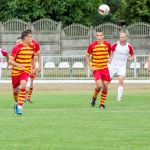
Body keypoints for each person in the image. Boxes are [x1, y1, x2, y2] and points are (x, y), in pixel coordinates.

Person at [9, 31, 36, 115]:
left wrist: (33, 68)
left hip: (25, 71)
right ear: (25, 38)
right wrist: (19, 65)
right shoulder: (17, 48)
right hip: (16, 72)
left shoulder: (32, 47)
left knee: (23, 83)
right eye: (30, 37)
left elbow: (32, 58)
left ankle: (20, 106)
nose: (32, 38)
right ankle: (17, 102)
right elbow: (10, 60)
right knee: (15, 91)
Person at [85, 31, 112, 109]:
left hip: (105, 68)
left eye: (100, 35)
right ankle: (94, 97)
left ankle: (102, 104)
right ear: (96, 37)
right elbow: (86, 56)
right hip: (96, 68)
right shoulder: (92, 45)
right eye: (97, 35)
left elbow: (110, 53)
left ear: (103, 36)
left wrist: (110, 58)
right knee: (100, 85)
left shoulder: (107, 44)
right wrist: (90, 66)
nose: (99, 37)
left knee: (105, 86)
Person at [109, 32, 134, 101]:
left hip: (122, 66)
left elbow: (132, 55)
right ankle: (101, 92)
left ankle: (119, 98)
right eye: (121, 37)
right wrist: (109, 58)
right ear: (119, 38)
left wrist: (130, 58)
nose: (122, 39)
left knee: (121, 80)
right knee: (106, 81)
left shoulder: (129, 46)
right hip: (113, 65)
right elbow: (109, 52)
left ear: (126, 38)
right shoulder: (115, 45)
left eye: (123, 37)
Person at [25, 29, 41, 103]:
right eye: (29, 36)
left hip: (32, 66)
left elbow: (39, 56)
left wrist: (39, 66)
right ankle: (23, 97)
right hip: (24, 65)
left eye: (31, 36)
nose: (30, 38)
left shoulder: (35, 44)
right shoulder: (23, 43)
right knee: (23, 82)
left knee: (31, 82)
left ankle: (28, 98)